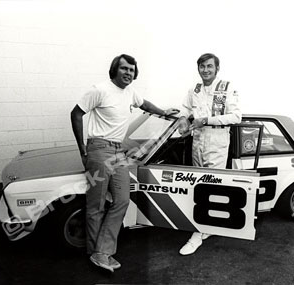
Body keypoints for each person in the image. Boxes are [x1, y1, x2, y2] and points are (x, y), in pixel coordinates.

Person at [71, 54, 179, 272]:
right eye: (124, 69)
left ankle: (102, 251)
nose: (128, 73)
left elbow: (144, 104)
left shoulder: (130, 92)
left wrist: (163, 111)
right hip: (99, 149)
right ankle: (96, 253)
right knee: (97, 204)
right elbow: (76, 114)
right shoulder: (99, 90)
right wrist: (83, 150)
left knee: (122, 199)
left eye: (131, 70)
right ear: (114, 70)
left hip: (118, 151)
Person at [178, 53, 242, 255]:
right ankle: (207, 225)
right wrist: (182, 118)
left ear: (217, 69)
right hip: (197, 140)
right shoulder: (194, 89)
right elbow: (185, 108)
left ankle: (197, 235)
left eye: (209, 66)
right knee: (199, 183)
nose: (205, 70)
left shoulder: (227, 87)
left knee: (210, 185)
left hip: (217, 140)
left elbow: (236, 116)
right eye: (202, 67)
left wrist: (206, 120)